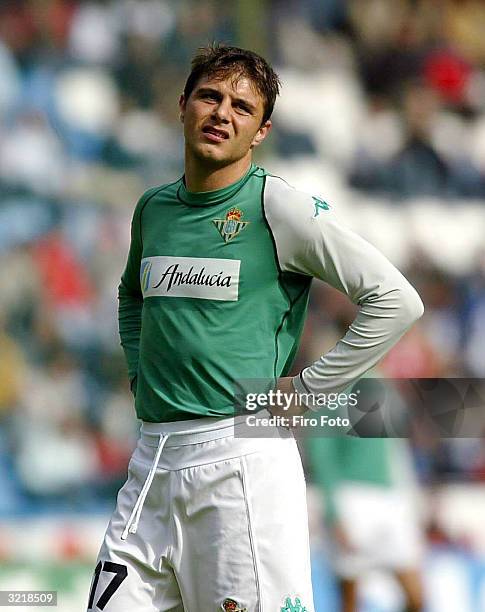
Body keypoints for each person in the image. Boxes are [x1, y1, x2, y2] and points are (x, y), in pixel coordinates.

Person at [87, 44, 424, 612]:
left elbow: (396, 300)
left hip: (240, 460)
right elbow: (130, 295)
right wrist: (140, 368)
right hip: (150, 463)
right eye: (210, 97)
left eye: (242, 107)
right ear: (183, 105)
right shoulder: (153, 209)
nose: (222, 113)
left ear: (261, 131)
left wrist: (309, 389)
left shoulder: (280, 209)